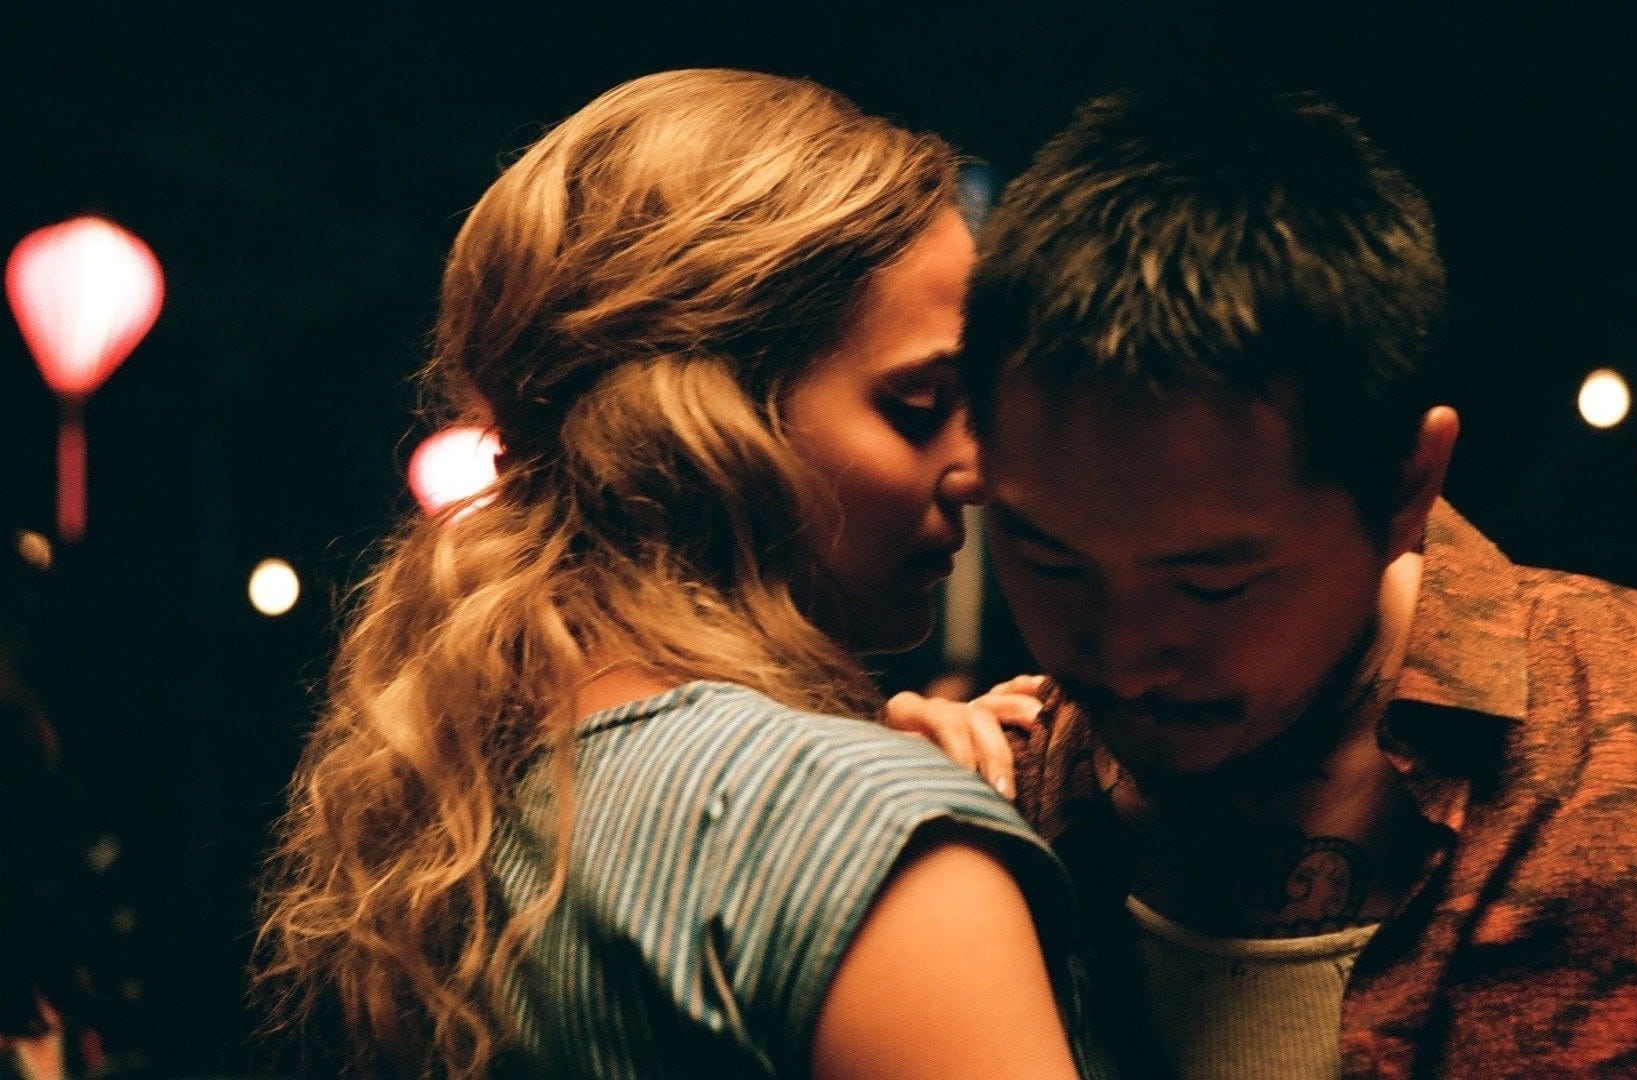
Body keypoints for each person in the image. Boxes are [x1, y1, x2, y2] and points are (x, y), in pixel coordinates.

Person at [934, 86, 1637, 1078]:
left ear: (1409, 483)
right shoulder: (990, 816)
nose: (1125, 656)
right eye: (1050, 562)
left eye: (1214, 584)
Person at [252, 69, 1108, 1080]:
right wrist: (870, 807)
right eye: (919, 406)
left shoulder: (457, 799)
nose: (978, 470)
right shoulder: (875, 844)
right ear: (704, 421)